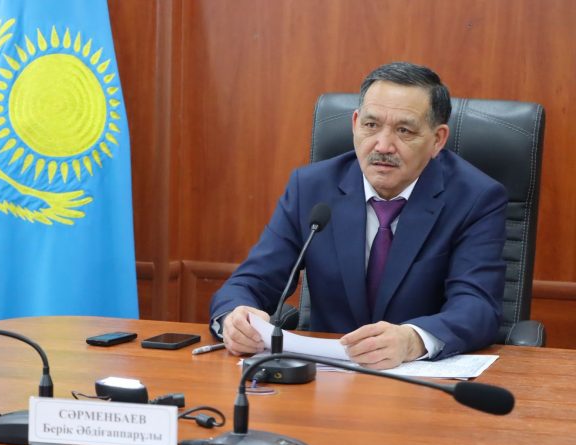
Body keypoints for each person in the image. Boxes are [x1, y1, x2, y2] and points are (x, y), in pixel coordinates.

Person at [209, 62, 507, 369]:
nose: (383, 145)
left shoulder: (475, 198)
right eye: (371, 125)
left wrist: (413, 340)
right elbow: (252, 281)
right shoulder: (311, 188)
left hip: (421, 380)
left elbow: (477, 306)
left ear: (437, 140)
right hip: (324, 378)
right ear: (354, 124)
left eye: (404, 131)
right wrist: (235, 317)